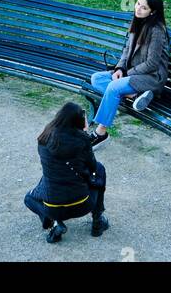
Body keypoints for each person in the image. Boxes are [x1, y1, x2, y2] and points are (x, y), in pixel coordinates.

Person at [89, 0, 170, 140]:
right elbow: (127, 49)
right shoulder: (137, 21)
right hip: (132, 74)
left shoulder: (157, 31)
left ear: (152, 12)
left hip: (151, 77)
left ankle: (100, 133)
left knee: (113, 88)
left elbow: (152, 64)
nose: (138, 9)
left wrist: (127, 74)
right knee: (96, 79)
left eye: (144, 7)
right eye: (138, 3)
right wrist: (120, 68)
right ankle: (133, 95)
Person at [23, 101, 109, 243]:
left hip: (53, 208)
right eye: (84, 119)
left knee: (29, 198)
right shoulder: (82, 140)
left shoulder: (44, 137)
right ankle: (97, 222)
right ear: (77, 123)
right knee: (100, 170)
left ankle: (55, 223)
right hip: (82, 205)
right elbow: (92, 167)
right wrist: (85, 133)